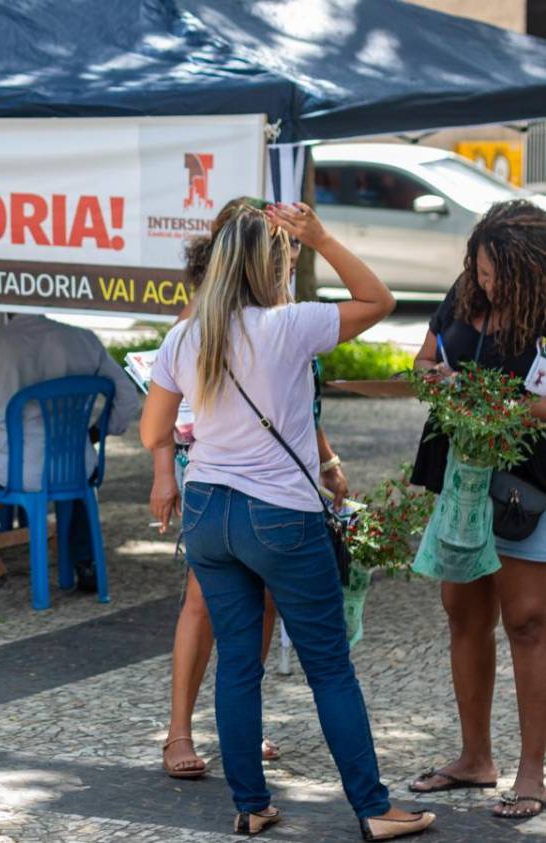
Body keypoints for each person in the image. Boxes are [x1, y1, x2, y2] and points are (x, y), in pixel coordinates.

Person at [141, 201, 434, 839]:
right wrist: (322, 236)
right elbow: (379, 300)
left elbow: (153, 429)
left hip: (209, 512)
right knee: (329, 666)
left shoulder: (185, 336)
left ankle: (251, 805)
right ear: (271, 268)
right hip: (280, 515)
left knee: (238, 663)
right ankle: (375, 809)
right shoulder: (290, 325)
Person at [160, 205, 350, 779]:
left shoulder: (283, 314)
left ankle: (242, 749)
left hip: (260, 480)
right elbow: (168, 399)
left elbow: (290, 402)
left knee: (257, 616)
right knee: (203, 604)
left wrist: (326, 458)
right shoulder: (207, 313)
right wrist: (163, 472)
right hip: (220, 470)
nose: (289, 264)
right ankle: (179, 731)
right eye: (283, 254)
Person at [406, 199, 546, 821]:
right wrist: (436, 381)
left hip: (525, 486)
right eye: (481, 271)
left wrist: (499, 408)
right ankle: (475, 759)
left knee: (527, 623)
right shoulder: (464, 293)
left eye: (496, 274)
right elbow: (423, 360)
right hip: (460, 479)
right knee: (463, 615)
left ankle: (533, 773)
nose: (485, 283)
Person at [0, 314, 140, 601]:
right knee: (78, 479)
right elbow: (127, 398)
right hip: (75, 464)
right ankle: (86, 563)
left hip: (13, 468)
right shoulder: (84, 340)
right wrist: (94, 434)